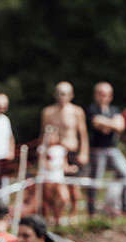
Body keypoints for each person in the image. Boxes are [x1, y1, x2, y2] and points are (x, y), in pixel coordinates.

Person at [86, 81, 126, 216]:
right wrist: (112, 124)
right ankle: (92, 212)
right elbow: (98, 124)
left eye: (106, 95)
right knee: (95, 181)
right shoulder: (91, 109)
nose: (103, 97)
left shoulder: (115, 110)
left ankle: (125, 208)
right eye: (100, 94)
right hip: (96, 150)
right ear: (95, 95)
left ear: (110, 96)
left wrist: (105, 123)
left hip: (112, 149)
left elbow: (120, 127)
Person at [41, 82, 89, 213]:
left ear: (71, 95)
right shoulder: (48, 112)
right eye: (59, 93)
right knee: (53, 187)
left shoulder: (76, 111)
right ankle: (56, 215)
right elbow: (44, 134)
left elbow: (83, 134)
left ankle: (73, 215)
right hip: (55, 154)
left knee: (74, 187)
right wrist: (43, 154)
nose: (62, 97)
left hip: (72, 151)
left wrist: (84, 153)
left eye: (65, 94)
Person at [39, 125, 73, 225]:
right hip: (47, 178)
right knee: (49, 201)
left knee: (64, 198)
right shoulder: (42, 149)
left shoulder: (61, 149)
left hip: (59, 178)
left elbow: (65, 165)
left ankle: (58, 218)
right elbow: (44, 163)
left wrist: (70, 168)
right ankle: (49, 220)